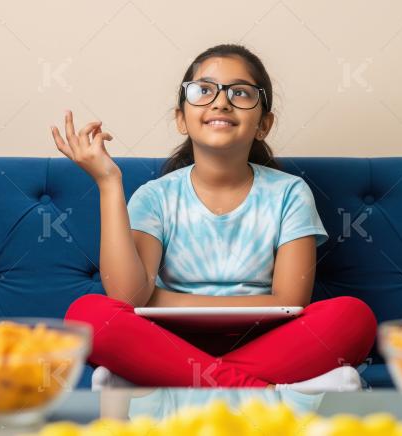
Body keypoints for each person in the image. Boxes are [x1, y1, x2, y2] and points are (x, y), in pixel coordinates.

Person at [51, 43, 376, 391]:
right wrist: (108, 182)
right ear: (181, 118)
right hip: (166, 341)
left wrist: (158, 298)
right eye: (203, 91)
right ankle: (257, 391)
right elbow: (128, 296)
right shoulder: (155, 196)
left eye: (240, 93)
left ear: (263, 124)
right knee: (87, 315)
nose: (221, 101)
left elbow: (290, 300)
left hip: (268, 339)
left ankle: (169, 382)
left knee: (353, 317)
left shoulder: (289, 192)